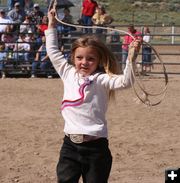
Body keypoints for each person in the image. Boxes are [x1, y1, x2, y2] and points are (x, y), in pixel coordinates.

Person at [45, 9, 141, 183]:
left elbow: (126, 82)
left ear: (99, 61)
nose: (84, 62)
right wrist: (51, 25)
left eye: (90, 59)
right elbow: (52, 51)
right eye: (79, 57)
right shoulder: (67, 73)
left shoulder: (102, 79)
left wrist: (131, 60)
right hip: (70, 146)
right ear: (73, 58)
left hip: (96, 148)